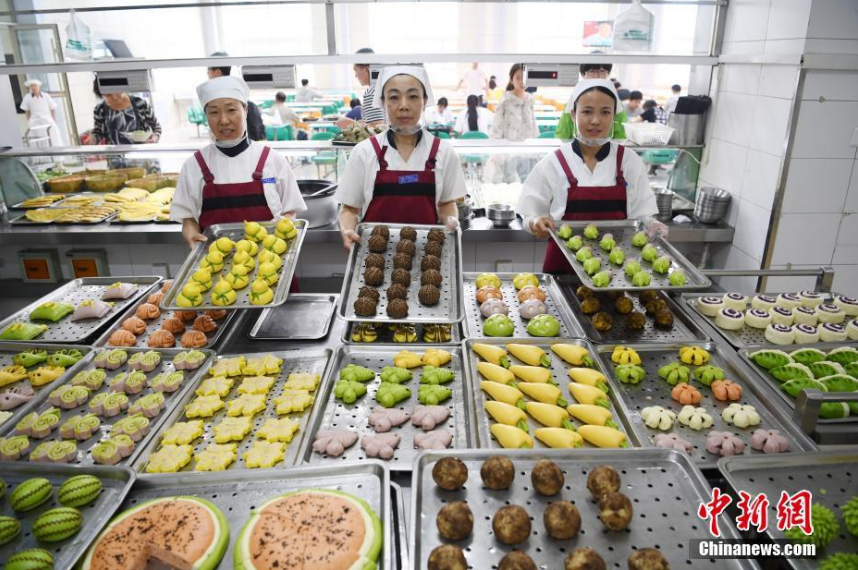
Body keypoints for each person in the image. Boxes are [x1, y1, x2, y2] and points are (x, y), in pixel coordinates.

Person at [516, 79, 666, 274]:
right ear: (573, 114)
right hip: (564, 267)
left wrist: (652, 223)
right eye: (587, 111)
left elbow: (642, 213)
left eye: (605, 112)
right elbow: (529, 212)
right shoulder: (553, 163)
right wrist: (535, 222)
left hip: (617, 268)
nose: (596, 120)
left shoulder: (629, 162)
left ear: (614, 116)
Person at [335, 66, 467, 250]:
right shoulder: (364, 152)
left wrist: (451, 220)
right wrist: (347, 229)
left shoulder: (443, 152)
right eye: (394, 97)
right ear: (383, 102)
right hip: (374, 257)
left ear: (425, 100)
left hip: (428, 257)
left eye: (413, 96)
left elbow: (446, 204)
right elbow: (349, 209)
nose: (403, 105)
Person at [171, 75, 306, 250]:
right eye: (213, 112)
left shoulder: (272, 159)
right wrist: (191, 235)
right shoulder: (194, 165)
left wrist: (283, 224)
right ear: (206, 116)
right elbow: (188, 219)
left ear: (246, 110)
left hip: (272, 262)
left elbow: (290, 211)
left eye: (231, 110)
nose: (224, 120)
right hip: (216, 265)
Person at [556, 63, 626, 140]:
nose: (596, 76)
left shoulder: (615, 104)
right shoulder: (573, 102)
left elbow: (620, 135)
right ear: (583, 74)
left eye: (602, 71)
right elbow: (563, 135)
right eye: (592, 71)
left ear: (608, 73)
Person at [207, 52, 266, 141]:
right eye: (214, 112)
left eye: (209, 70)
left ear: (217, 72)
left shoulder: (215, 96)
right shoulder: (238, 90)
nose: (224, 120)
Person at [88, 79, 161, 145]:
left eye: (116, 91)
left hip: (142, 156)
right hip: (115, 157)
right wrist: (93, 139)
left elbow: (156, 127)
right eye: (108, 95)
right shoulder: (100, 109)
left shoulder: (140, 103)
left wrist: (154, 138)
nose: (114, 97)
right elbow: (98, 132)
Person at [336, 48, 385, 130]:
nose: (355, 75)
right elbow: (371, 122)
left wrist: (351, 124)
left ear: (366, 69)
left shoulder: (372, 92)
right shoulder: (381, 87)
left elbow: (378, 128)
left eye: (356, 70)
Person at [19, 79, 65, 146]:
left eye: (35, 85)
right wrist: (29, 120)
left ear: (38, 86)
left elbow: (53, 108)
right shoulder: (27, 97)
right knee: (38, 139)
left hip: (47, 119)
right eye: (31, 86)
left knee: (53, 137)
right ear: (30, 87)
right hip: (35, 121)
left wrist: (53, 120)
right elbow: (27, 110)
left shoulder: (46, 95)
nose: (33, 87)